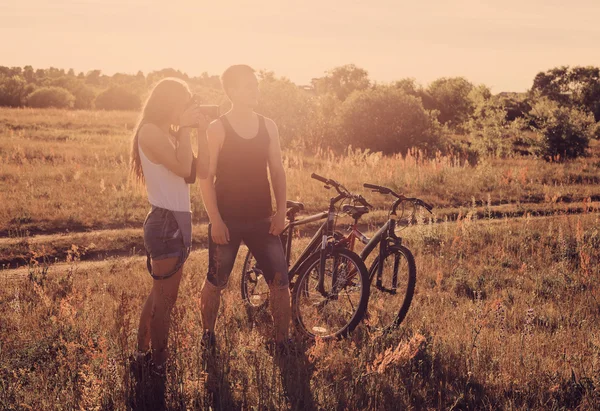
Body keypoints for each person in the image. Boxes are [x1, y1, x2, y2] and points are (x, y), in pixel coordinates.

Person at [198, 64, 291, 351]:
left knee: (280, 281)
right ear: (234, 90)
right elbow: (206, 177)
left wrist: (280, 211)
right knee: (216, 280)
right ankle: (207, 336)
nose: (256, 90)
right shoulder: (217, 128)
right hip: (227, 220)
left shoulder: (268, 125)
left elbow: (277, 170)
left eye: (256, 85)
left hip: (263, 219)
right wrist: (215, 219)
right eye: (250, 85)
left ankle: (281, 342)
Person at [130, 77, 209, 377]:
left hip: (176, 221)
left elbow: (197, 172)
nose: (187, 107)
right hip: (165, 222)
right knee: (165, 301)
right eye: (185, 101)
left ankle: (141, 356)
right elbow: (181, 167)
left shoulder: (171, 134)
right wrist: (186, 129)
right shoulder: (150, 131)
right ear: (170, 102)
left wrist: (199, 132)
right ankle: (158, 367)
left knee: (159, 295)